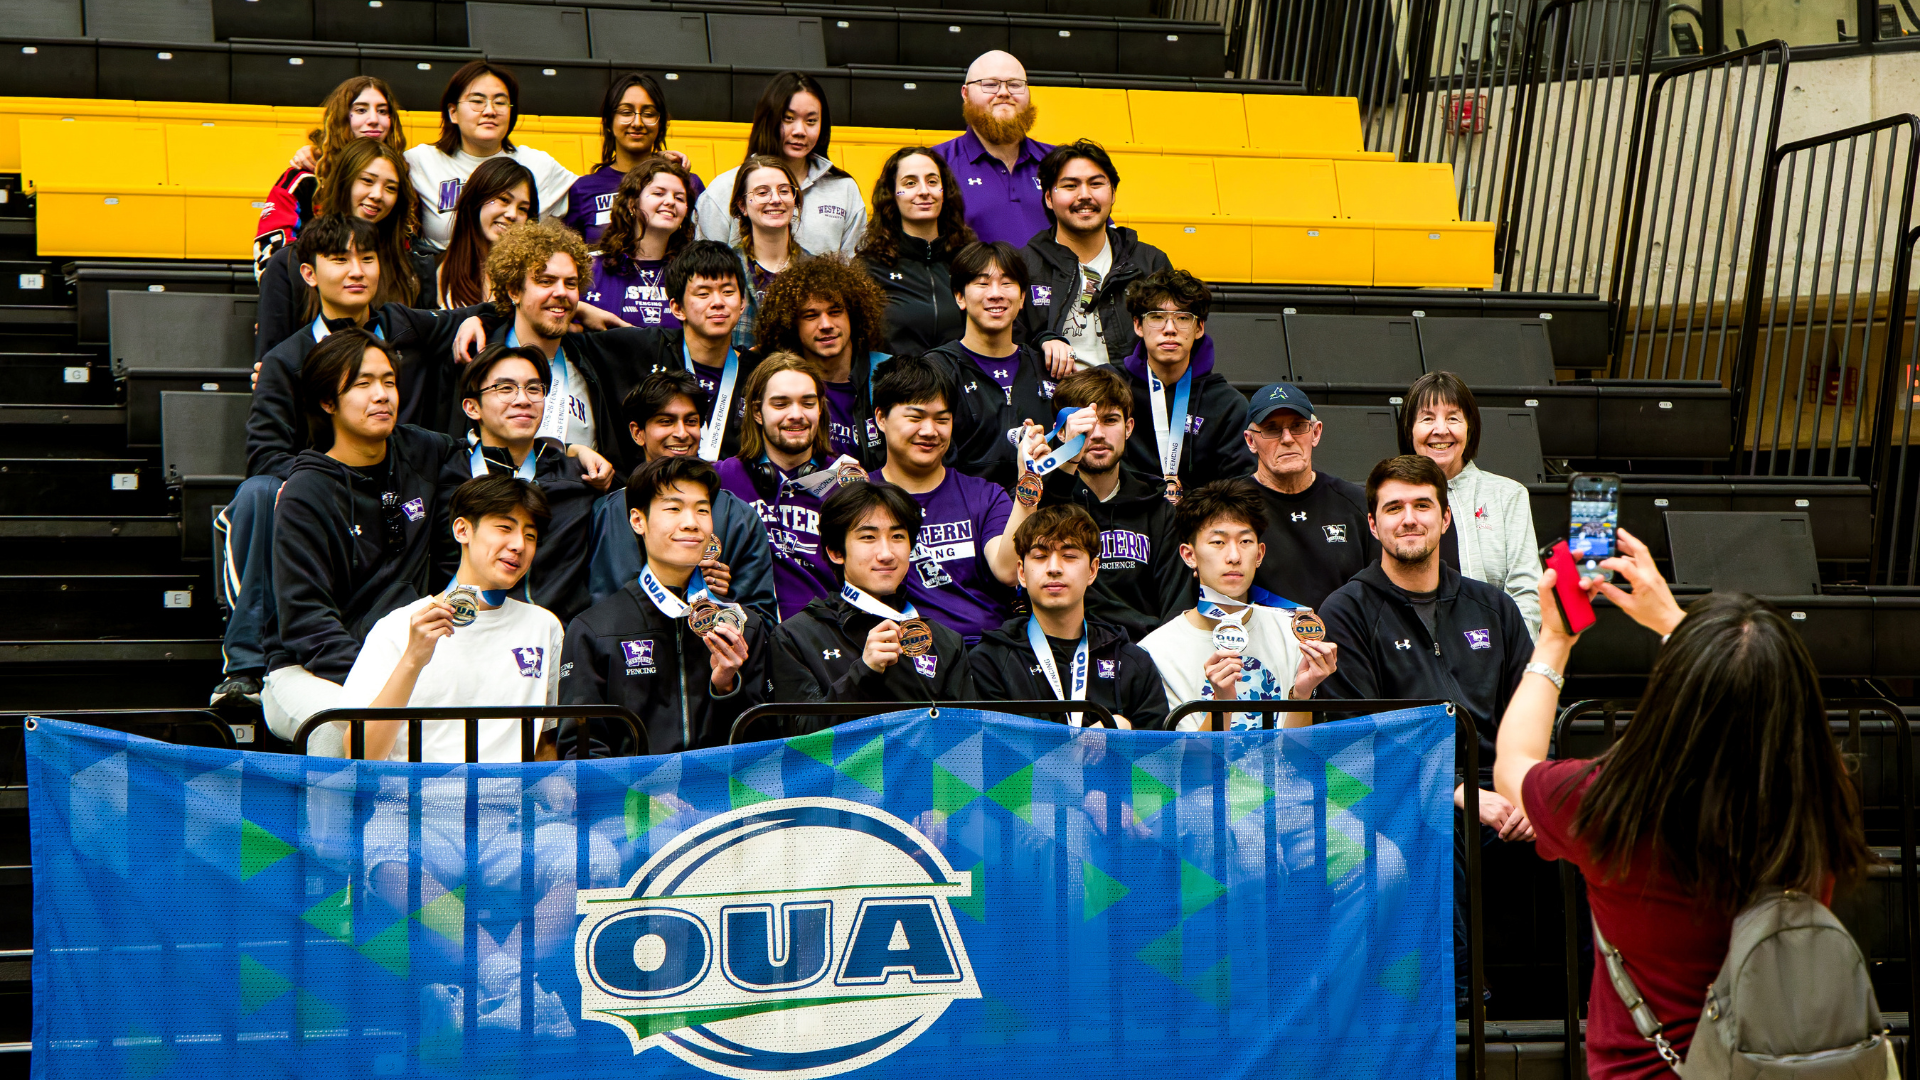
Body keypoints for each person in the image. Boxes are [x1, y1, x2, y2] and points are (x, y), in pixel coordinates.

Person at [1494, 529, 1873, 1080]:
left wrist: (1554, 640)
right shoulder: (1819, 792)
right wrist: (1673, 619)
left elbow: (1513, 764)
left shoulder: (1610, 803)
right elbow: (1746, 692)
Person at [215, 215, 500, 708]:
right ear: (309, 273)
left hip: (389, 479)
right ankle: (244, 663)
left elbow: (483, 312)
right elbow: (264, 454)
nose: (357, 270)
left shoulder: (402, 326)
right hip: (315, 485)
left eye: (367, 258)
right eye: (341, 259)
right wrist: (325, 478)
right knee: (262, 492)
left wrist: (480, 319)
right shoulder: (287, 358)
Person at [1313, 454, 1532, 1010]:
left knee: (1585, 823)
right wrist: (1455, 790)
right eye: (1394, 508)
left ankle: (1583, 1007)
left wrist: (1531, 789)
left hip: (1499, 782)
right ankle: (1462, 1007)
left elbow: (1529, 712)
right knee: (1441, 828)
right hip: (1396, 790)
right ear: (1373, 525)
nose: (1408, 519)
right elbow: (1359, 737)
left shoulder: (1495, 608)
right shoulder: (1347, 611)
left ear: (1445, 517)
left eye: (1421, 506)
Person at [259, 329, 461, 751]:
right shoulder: (305, 493)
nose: (382, 394)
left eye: (388, 381)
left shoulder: (424, 452)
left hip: (411, 657)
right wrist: (386, 675)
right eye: (362, 384)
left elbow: (488, 446)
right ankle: (329, 822)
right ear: (327, 401)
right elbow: (306, 622)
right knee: (347, 729)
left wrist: (567, 452)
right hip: (307, 670)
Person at [338, 473, 565, 762]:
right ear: (462, 530)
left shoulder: (544, 626)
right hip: (413, 804)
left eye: (530, 535)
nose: (519, 545)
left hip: (508, 806)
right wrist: (413, 659)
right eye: (504, 528)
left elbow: (544, 745)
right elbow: (359, 755)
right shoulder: (397, 627)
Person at [560, 455, 772, 755]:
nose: (690, 523)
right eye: (673, 508)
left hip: (722, 799)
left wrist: (726, 687)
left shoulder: (743, 626)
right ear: (637, 520)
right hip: (632, 800)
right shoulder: (594, 630)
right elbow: (581, 750)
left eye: (702, 510)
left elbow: (764, 749)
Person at [1140, 479, 1338, 731]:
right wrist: (1222, 703)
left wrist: (1302, 694)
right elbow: (1186, 765)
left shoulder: (1293, 634)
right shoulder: (1156, 653)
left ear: (1259, 554)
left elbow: (1295, 760)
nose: (1234, 556)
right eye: (1218, 542)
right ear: (1189, 556)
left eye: (1245, 541)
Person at [586, 370, 777, 621]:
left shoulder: (739, 515)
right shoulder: (608, 511)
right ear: (637, 432)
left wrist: (722, 600)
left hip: (711, 656)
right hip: (633, 654)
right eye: (666, 421)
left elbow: (762, 617)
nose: (681, 433)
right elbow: (598, 609)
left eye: (691, 421)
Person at [772, 481, 976, 715]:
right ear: (836, 552)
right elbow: (798, 741)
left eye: (898, 536)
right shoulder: (795, 637)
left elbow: (966, 740)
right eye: (868, 537)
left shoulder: (947, 641)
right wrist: (864, 671)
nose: (887, 554)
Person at [446, 343, 614, 625]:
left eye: (534, 389)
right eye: (505, 388)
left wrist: (574, 451)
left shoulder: (578, 478)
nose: (523, 400)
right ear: (472, 407)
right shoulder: (446, 474)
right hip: (463, 633)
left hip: (554, 641)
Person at [871, 356, 1033, 645]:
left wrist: (1028, 481)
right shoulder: (859, 498)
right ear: (881, 418)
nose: (930, 431)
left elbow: (1008, 571)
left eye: (942, 419)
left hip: (985, 653)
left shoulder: (985, 495)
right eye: (915, 417)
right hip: (900, 655)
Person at [969, 505, 1169, 729]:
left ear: (1093, 570)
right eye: (1040, 556)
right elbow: (995, 759)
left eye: (1069, 555)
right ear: (1022, 573)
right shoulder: (989, 661)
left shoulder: (1132, 662)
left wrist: (1126, 740)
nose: (1054, 568)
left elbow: (1160, 760)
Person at [1034, 368, 1188, 642]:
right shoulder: (1043, 502)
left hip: (1148, 655)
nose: (1097, 434)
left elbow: (1177, 603)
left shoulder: (1158, 508)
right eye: (1085, 423)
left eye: (1110, 420)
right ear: (1061, 432)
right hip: (1066, 651)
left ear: (1128, 428)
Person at [255, 137, 423, 363]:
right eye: (366, 181)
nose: (377, 194)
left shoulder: (411, 265)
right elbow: (271, 362)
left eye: (390, 188)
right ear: (343, 182)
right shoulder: (288, 264)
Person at [1403, 371, 1543, 636]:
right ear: (1409, 428)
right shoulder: (1387, 499)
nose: (1441, 430)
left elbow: (1527, 592)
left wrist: (1508, 657)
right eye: (1428, 419)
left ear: (1470, 427)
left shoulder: (1508, 494)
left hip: (1491, 654)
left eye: (1453, 418)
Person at [1017, 140, 1171, 372]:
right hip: (1052, 399)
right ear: (1048, 198)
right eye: (1070, 186)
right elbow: (1006, 344)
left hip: (1131, 399)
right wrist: (1041, 341)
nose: (1085, 195)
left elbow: (1177, 337)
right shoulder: (1023, 266)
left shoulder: (1149, 263)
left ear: (1113, 193)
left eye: (1096, 184)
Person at [716, 353, 844, 621]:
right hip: (748, 633)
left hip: (826, 635)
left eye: (807, 403)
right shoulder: (721, 479)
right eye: (780, 404)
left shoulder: (845, 482)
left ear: (820, 409)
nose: (796, 415)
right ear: (756, 412)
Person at [923, 240, 1061, 488]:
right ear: (959, 296)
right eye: (982, 283)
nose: (996, 293)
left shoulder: (1046, 367)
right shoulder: (936, 369)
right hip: (968, 514)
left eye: (1007, 283)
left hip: (1043, 514)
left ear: (1022, 298)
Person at [405, 60, 575, 251]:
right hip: (443, 274)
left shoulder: (538, 164)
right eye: (477, 101)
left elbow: (593, 196)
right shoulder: (420, 161)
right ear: (453, 112)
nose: (490, 111)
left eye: (500, 102)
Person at [1113, 268, 1254, 498]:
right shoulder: (1111, 390)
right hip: (1126, 523)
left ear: (1199, 328)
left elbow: (1240, 489)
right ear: (1138, 325)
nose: (1170, 329)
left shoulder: (1228, 405)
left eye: (1182, 318)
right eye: (1157, 317)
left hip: (1199, 525)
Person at [694, 71, 866, 256]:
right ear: (768, 120)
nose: (800, 131)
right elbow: (705, 269)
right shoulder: (724, 189)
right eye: (788, 118)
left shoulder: (844, 190)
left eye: (811, 121)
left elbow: (855, 271)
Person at [1242, 382, 1377, 610]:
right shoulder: (1227, 507)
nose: (1287, 438)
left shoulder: (1357, 504)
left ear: (1315, 433)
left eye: (1298, 427)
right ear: (1250, 440)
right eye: (1272, 429)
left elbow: (1378, 596)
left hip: (1343, 641)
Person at [255, 75, 408, 274]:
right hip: (310, 297)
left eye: (382, 111)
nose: (373, 120)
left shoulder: (401, 177)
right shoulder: (304, 178)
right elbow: (272, 260)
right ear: (341, 116)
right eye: (361, 110)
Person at [755, 254, 892, 466]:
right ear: (792, 324)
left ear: (853, 315)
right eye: (811, 315)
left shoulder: (888, 373)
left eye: (835, 311)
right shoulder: (774, 381)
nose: (826, 324)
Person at [857, 146, 978, 357]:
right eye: (910, 183)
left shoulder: (970, 260)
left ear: (945, 191)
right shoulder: (868, 266)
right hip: (899, 385)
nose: (924, 191)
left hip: (961, 383)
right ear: (892, 194)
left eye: (932, 182)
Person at [562, 73, 706, 244]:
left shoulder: (687, 184)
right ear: (608, 121)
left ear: (661, 124)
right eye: (626, 112)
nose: (637, 122)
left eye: (648, 113)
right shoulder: (583, 189)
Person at [933, 51, 1053, 246]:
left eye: (1015, 85)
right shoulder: (936, 163)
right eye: (990, 85)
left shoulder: (1060, 162)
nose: (1004, 92)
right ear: (965, 94)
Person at [585, 155, 696, 329]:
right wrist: (580, 309)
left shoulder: (693, 273)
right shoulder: (591, 267)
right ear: (632, 205)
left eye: (680, 198)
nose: (670, 202)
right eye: (658, 193)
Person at [728, 154, 814, 350]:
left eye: (784, 191)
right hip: (738, 377)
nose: (775, 199)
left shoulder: (814, 270)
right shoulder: (725, 266)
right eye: (762, 192)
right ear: (742, 205)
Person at [436, 156, 536, 308]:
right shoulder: (437, 270)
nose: (512, 214)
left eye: (523, 209)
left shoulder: (535, 272)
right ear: (477, 200)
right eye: (504, 199)